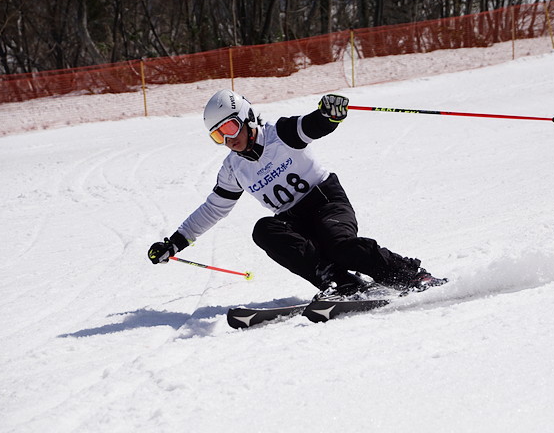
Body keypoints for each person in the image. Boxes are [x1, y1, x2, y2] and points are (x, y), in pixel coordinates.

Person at [148, 89, 440, 297]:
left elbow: (311, 126)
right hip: (294, 221)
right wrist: (174, 243)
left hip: (326, 203)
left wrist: (329, 116)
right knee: (263, 229)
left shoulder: (280, 134)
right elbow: (213, 209)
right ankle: (341, 283)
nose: (228, 139)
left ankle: (413, 276)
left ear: (247, 117)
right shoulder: (233, 169)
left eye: (230, 127)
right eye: (217, 135)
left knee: (339, 246)